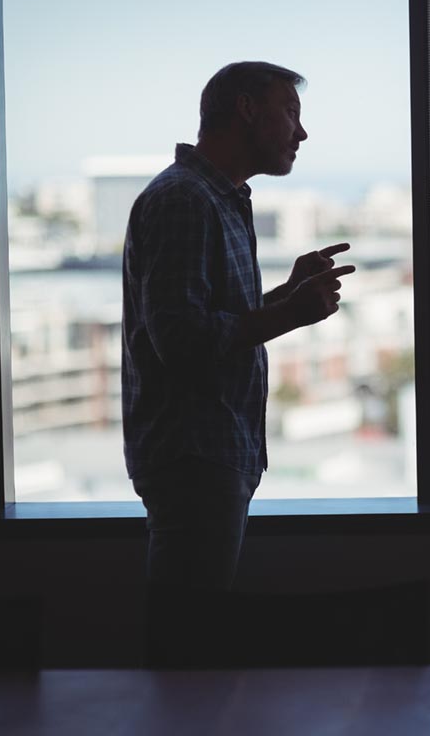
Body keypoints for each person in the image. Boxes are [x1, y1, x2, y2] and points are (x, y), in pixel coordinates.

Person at [122, 61, 355, 593]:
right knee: (189, 643)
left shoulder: (213, 197)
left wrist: (284, 296)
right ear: (247, 110)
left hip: (207, 454)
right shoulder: (185, 200)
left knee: (194, 636)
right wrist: (291, 312)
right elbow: (182, 342)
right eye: (290, 113)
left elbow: (209, 320)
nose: (301, 132)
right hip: (194, 456)